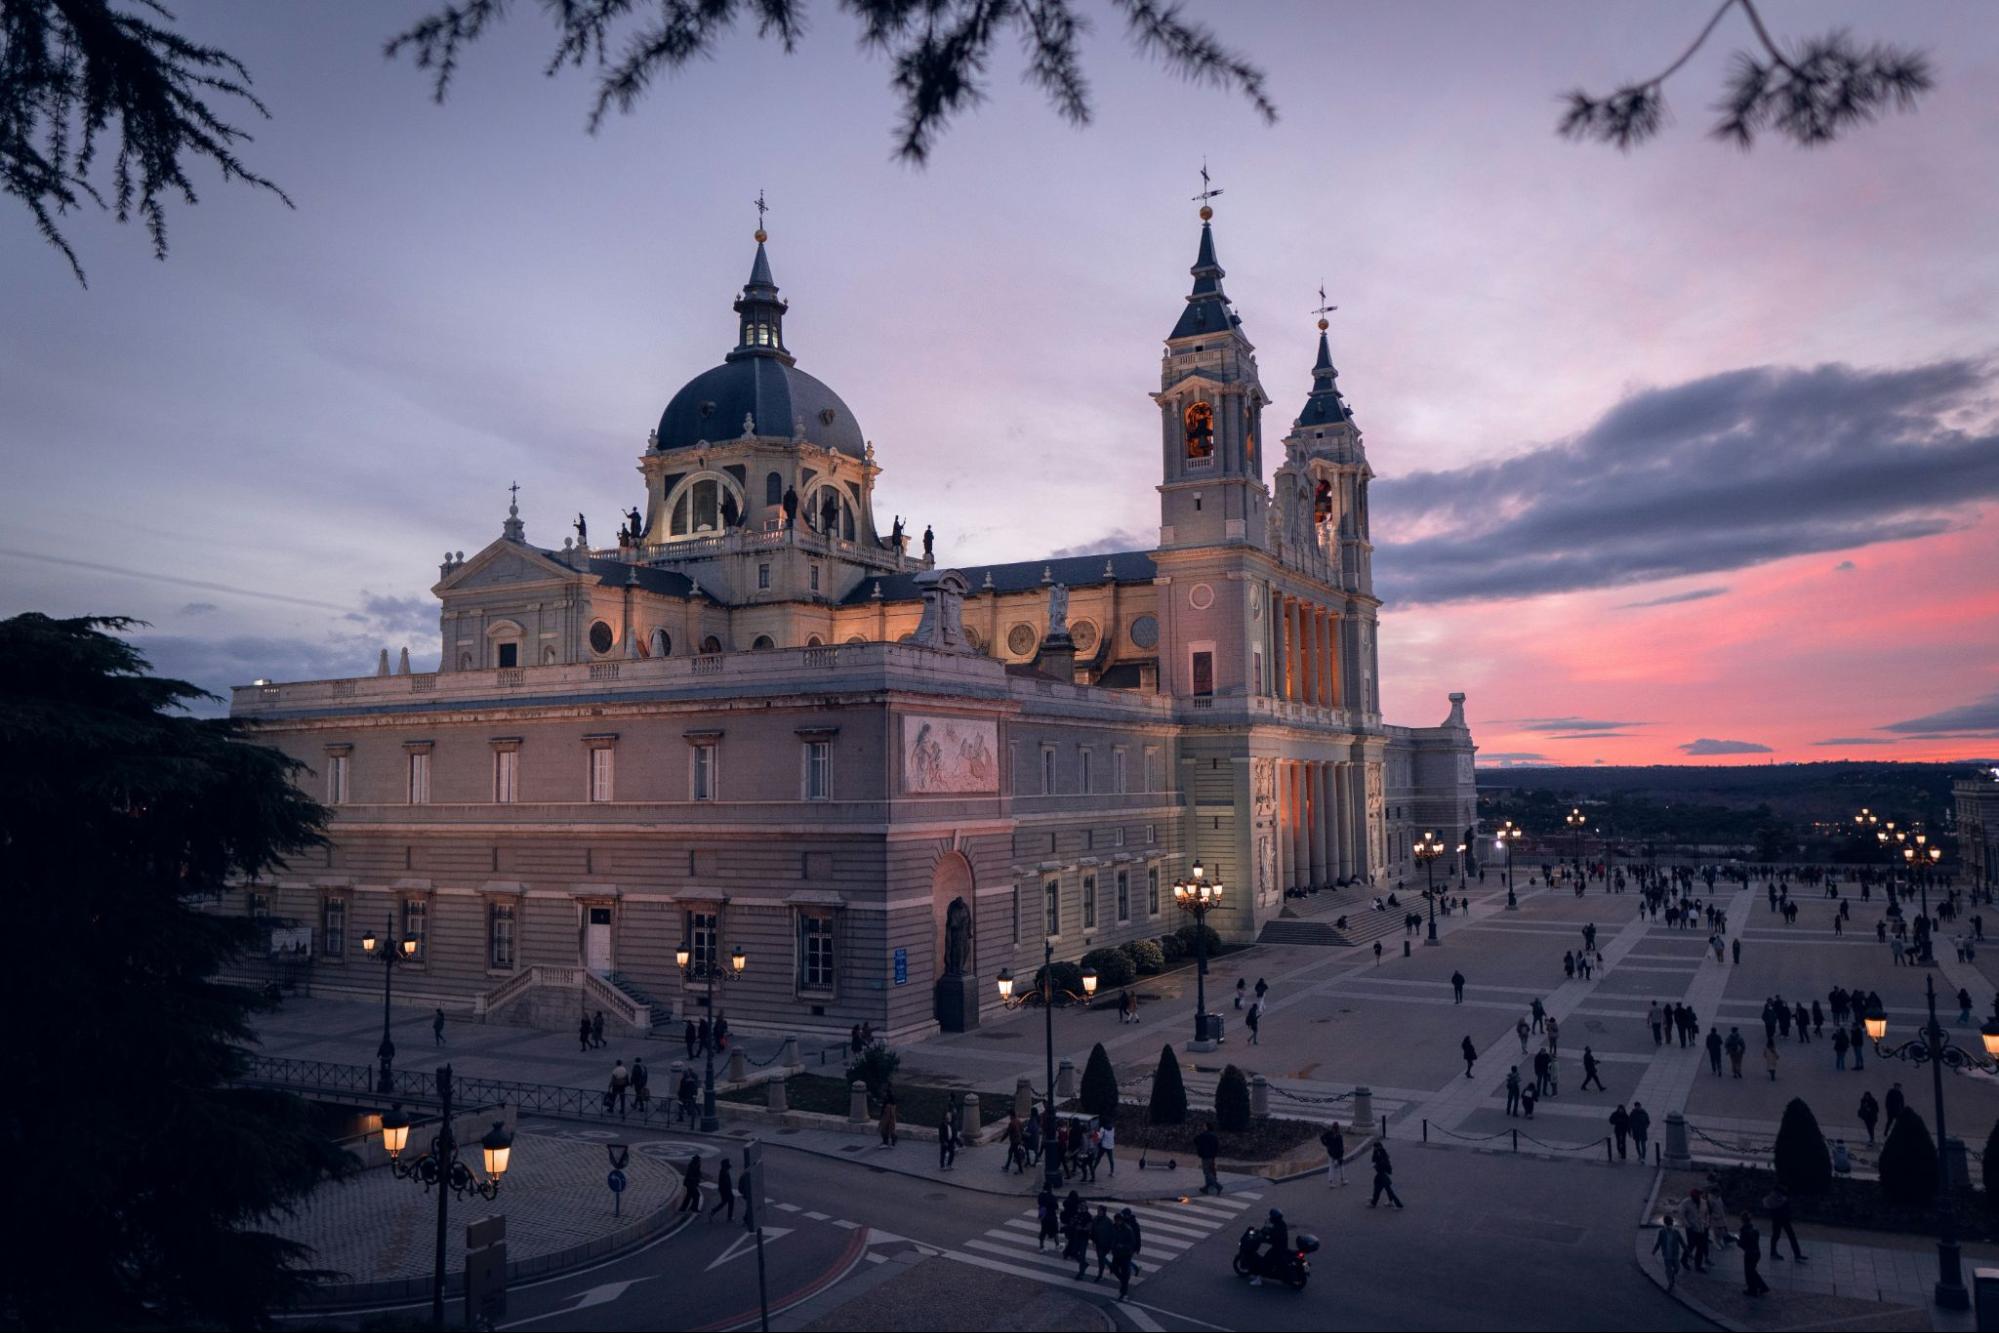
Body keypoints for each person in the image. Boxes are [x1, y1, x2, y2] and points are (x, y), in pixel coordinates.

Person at [1763, 1186, 1806, 1261]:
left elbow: (1769, 1207)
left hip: (1779, 1219)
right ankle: (1797, 1254)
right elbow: (1785, 1209)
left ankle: (1774, 1252)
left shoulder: (1773, 1199)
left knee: (1777, 1236)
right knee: (1788, 1236)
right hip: (1782, 1219)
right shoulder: (1781, 1199)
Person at [1110, 1209, 1138, 1300]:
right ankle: (1123, 1282)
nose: (1117, 1222)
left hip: (1125, 1254)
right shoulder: (1114, 1227)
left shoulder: (1127, 1230)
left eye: (1119, 1220)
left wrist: (1123, 1246)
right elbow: (1111, 1237)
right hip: (1117, 1253)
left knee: (1125, 1271)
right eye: (1116, 1220)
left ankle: (1124, 1290)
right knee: (1114, 1268)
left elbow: (1132, 1243)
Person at [1739, 1214, 1770, 1296]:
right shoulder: (1755, 1230)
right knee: (1752, 1271)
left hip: (1749, 1253)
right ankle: (1761, 1287)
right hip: (1756, 1252)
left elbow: (1743, 1244)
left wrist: (1737, 1241)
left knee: (1749, 1272)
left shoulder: (1744, 1230)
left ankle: (1753, 1289)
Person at [1651, 1215, 1685, 1291]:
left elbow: (1682, 1242)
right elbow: (1658, 1242)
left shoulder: (1676, 1232)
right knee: (1668, 1269)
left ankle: (1672, 1275)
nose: (1670, 1225)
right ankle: (1670, 1282)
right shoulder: (1662, 1232)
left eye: (1671, 1223)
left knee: (1677, 1267)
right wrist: (1654, 1250)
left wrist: (1687, 1251)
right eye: (1669, 1224)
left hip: (1674, 1254)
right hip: (1666, 1255)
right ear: (1665, 1224)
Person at [1368, 1141, 1403, 1208]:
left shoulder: (1381, 1154)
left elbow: (1382, 1164)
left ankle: (1397, 1204)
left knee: (1384, 1189)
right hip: (1381, 1174)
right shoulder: (1379, 1152)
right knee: (1383, 1187)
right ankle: (1390, 1201)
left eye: (1374, 1147)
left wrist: (1376, 1166)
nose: (1374, 1149)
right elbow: (1374, 1159)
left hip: (1382, 1174)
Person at [1090, 1204, 1115, 1282]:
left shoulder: (1108, 1222)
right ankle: (1111, 1267)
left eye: (1100, 1211)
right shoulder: (1095, 1219)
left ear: (1103, 1212)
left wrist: (1111, 1245)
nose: (1098, 1212)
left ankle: (1100, 1274)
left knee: (1101, 1259)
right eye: (1098, 1210)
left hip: (1105, 1244)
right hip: (1098, 1243)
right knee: (1101, 1258)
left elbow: (1112, 1234)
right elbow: (1093, 1230)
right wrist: (1093, 1239)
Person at [1196, 1122, 1222, 1195]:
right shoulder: (1214, 1136)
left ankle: (1217, 1185)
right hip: (1212, 1156)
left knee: (1207, 1172)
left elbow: (1196, 1140)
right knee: (1209, 1171)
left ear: (1207, 1127)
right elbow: (1217, 1146)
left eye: (1204, 1126)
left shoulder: (1204, 1135)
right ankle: (1207, 1187)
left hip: (1205, 1156)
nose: (1203, 1127)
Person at [709, 1158, 737, 1223]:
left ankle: (713, 1212)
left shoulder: (724, 1171)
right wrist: (729, 1191)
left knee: (725, 1202)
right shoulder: (724, 1172)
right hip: (726, 1191)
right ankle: (728, 1216)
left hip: (725, 1190)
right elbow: (725, 1183)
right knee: (727, 1201)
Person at [1037, 1184, 1059, 1250]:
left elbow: (1039, 1204)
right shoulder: (1052, 1197)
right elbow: (1056, 1207)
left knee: (1043, 1231)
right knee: (1055, 1230)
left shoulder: (1040, 1195)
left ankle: (1041, 1246)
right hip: (1051, 1216)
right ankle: (1057, 1244)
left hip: (1044, 1216)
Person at [938, 1104, 959, 1170]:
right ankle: (942, 1166)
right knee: (943, 1154)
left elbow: (953, 1133)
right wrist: (943, 1142)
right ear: (945, 1118)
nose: (950, 1118)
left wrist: (956, 1141)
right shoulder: (942, 1124)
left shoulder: (951, 1124)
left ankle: (949, 1165)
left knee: (952, 1153)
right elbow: (941, 1134)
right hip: (945, 1141)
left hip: (950, 1141)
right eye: (948, 1117)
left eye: (950, 1117)